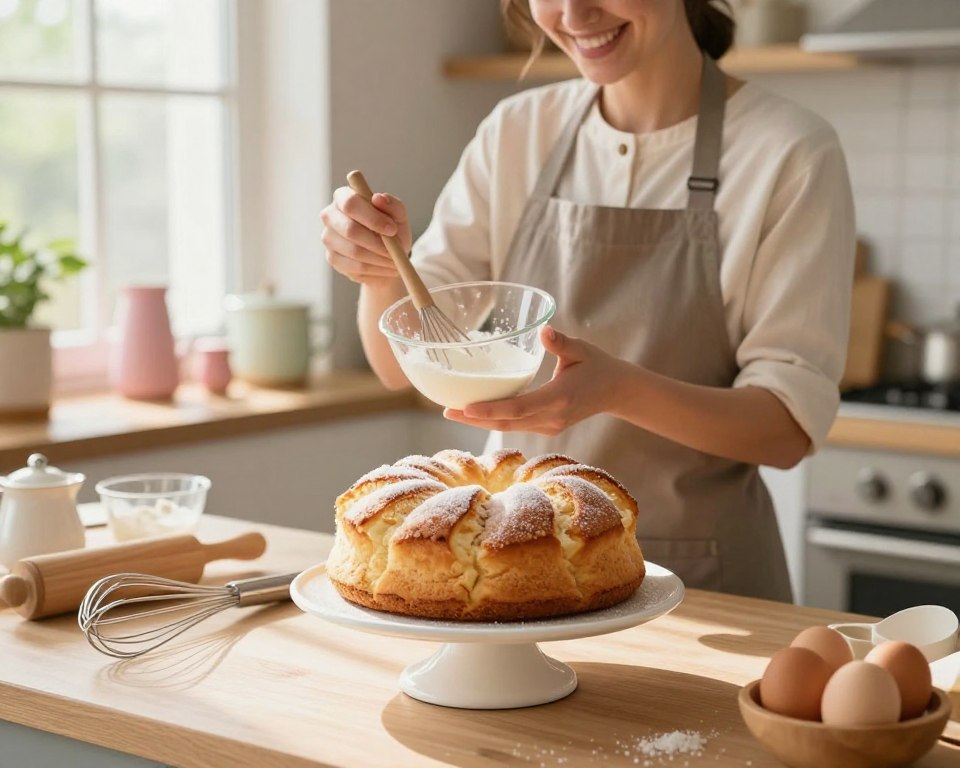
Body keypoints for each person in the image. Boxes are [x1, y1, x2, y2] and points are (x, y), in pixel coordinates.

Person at [319, 0, 855, 602]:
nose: (573, 12)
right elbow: (399, 367)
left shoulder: (788, 151)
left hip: (709, 593)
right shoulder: (517, 132)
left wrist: (618, 390)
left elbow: (785, 430)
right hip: (521, 577)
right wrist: (379, 273)